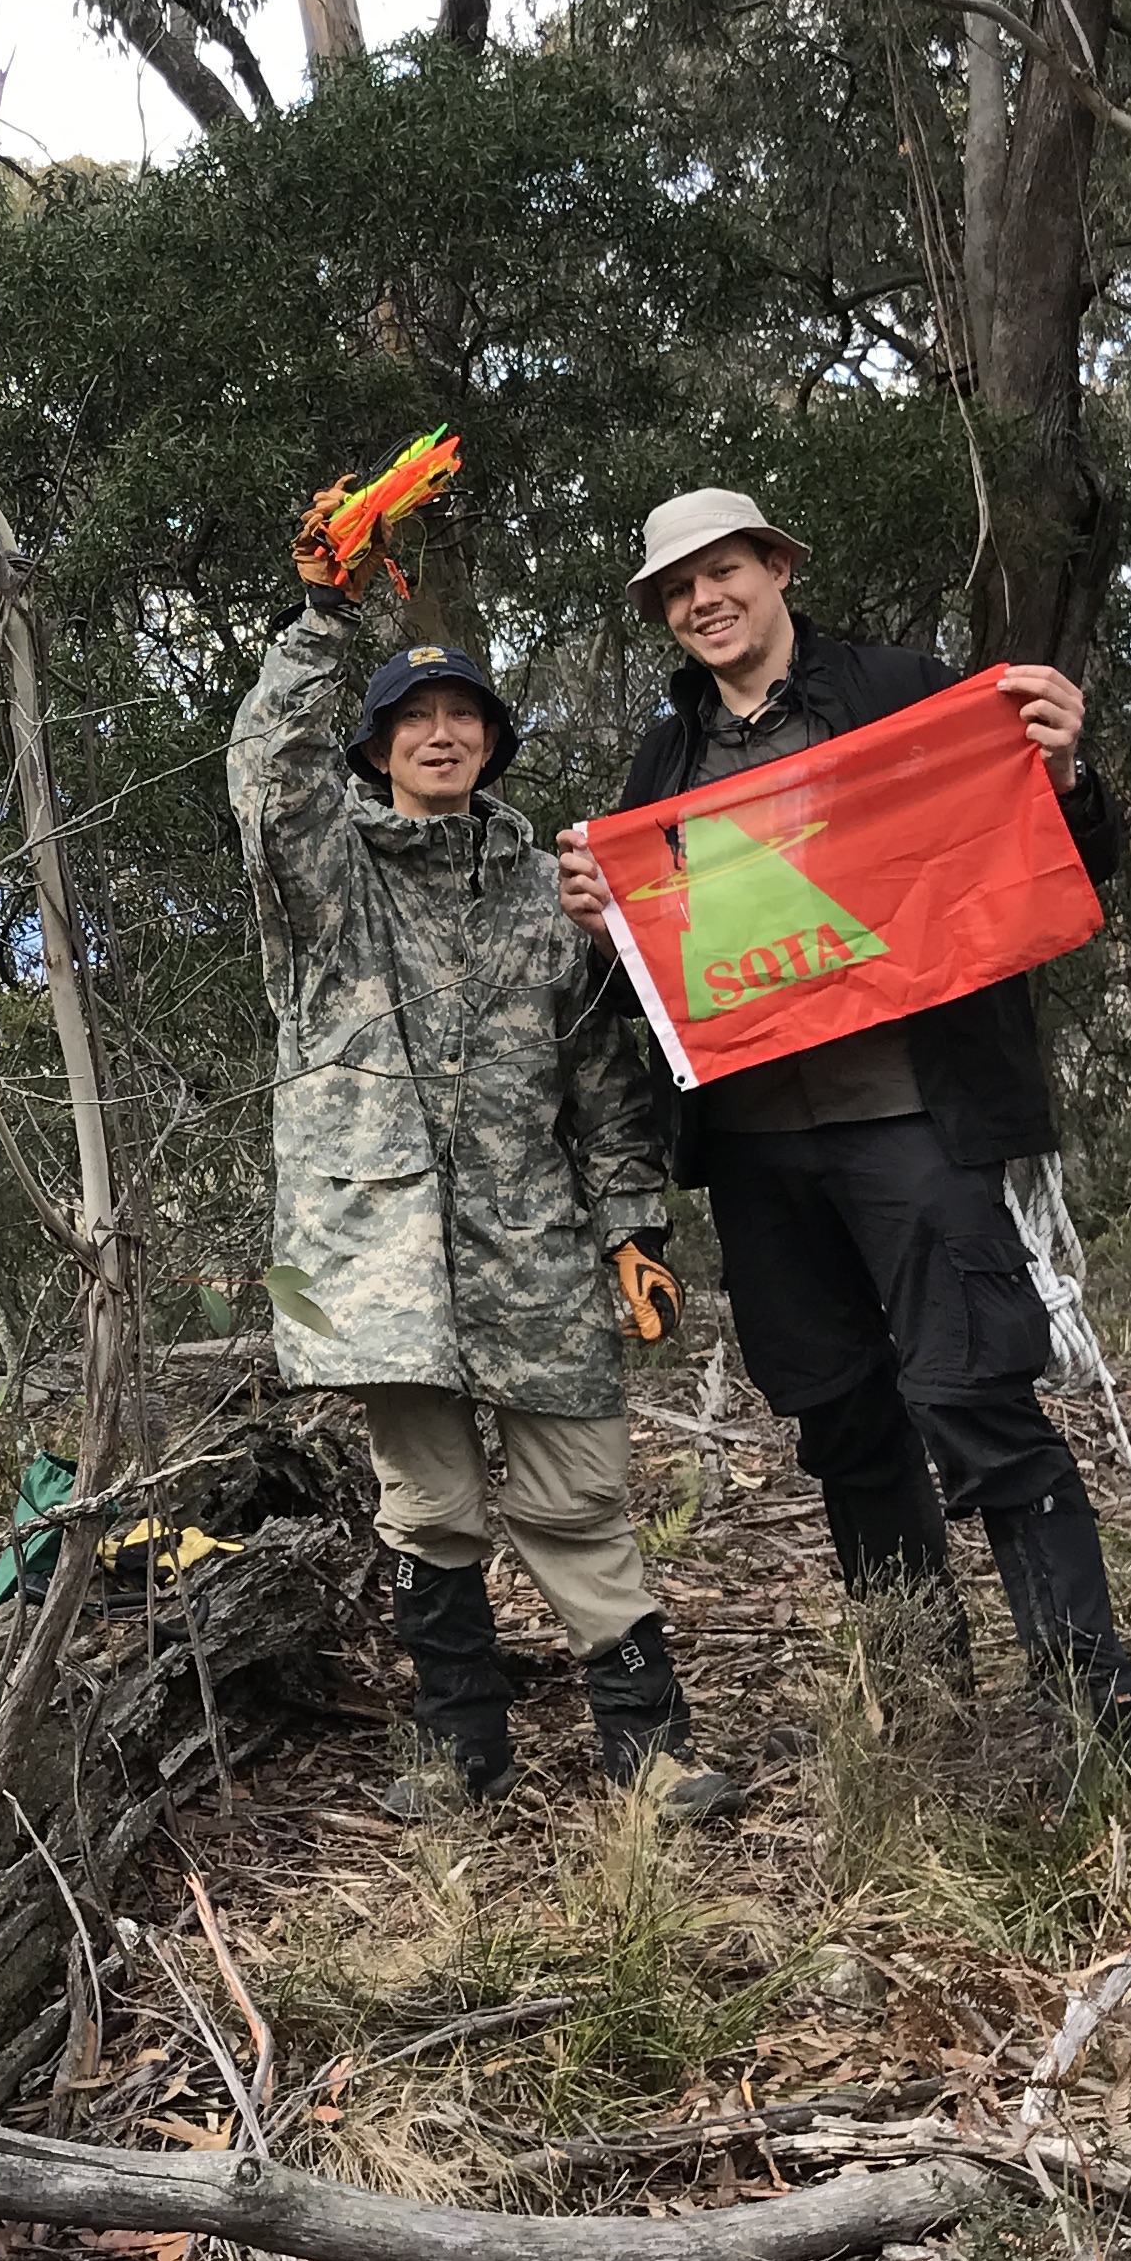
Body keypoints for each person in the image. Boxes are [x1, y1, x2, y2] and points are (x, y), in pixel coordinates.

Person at [552, 487, 1131, 1763]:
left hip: (913, 1122)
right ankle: (929, 1716)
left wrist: (1063, 768)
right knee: (842, 1424)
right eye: (676, 590)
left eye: (722, 573)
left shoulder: (902, 693)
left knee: (975, 1400)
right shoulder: (661, 767)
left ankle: (1091, 1724)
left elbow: (1056, 856)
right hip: (760, 1150)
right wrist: (603, 927)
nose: (702, 602)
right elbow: (647, 989)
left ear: (777, 567)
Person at [235, 482, 735, 1818]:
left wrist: (633, 1224)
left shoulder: (549, 892)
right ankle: (460, 1756)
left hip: (533, 1242)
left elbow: (601, 1077)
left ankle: (650, 1750)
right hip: (381, 1253)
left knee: (580, 1493)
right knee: (430, 1505)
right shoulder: (326, 879)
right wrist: (323, 615)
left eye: (463, 718)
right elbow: (268, 777)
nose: (442, 736)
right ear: (379, 747)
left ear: (494, 743)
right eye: (415, 721)